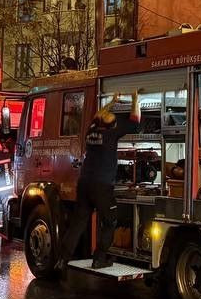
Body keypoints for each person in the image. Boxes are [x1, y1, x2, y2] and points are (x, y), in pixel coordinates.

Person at [58, 90, 142, 271]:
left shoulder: (92, 129)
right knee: (110, 221)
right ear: (113, 125)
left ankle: (62, 259)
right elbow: (135, 121)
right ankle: (100, 258)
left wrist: (112, 102)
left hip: (85, 183)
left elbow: (98, 114)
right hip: (102, 186)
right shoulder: (113, 133)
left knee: (78, 223)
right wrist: (135, 99)